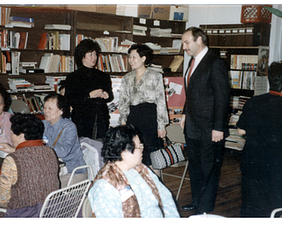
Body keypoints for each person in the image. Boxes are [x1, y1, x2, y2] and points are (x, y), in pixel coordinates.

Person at [180, 27, 230, 214]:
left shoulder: (215, 63)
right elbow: (192, 93)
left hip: (210, 128)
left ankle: (205, 208)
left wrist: (218, 127)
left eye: (187, 42)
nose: (184, 46)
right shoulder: (193, 62)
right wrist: (185, 113)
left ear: (199, 40)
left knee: (209, 169)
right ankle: (196, 202)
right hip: (192, 126)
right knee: (195, 166)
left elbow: (223, 98)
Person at [88, 124, 179, 218]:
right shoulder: (105, 186)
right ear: (124, 152)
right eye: (139, 147)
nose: (142, 150)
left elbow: (166, 198)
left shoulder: (141, 169)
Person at [237, 62, 282, 217]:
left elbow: (241, 130)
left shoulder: (254, 101)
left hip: (252, 163)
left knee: (251, 205)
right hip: (276, 168)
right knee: (273, 208)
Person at [0, 113, 60, 217]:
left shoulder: (12, 160)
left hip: (23, 215)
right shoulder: (50, 152)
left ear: (21, 136)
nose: (10, 137)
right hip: (50, 212)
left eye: (12, 133)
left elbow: (2, 199)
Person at [118, 44, 169, 174]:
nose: (131, 60)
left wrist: (161, 125)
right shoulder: (127, 78)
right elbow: (123, 101)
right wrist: (123, 121)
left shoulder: (155, 76)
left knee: (152, 157)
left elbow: (161, 101)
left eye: (134, 57)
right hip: (133, 119)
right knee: (134, 154)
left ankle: (156, 188)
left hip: (150, 119)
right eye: (130, 57)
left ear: (143, 58)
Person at [65, 39, 114, 140]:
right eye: (90, 54)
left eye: (95, 54)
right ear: (82, 56)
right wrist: (89, 95)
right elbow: (69, 100)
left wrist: (107, 95)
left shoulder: (103, 76)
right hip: (82, 121)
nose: (94, 58)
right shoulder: (73, 77)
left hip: (101, 120)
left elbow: (110, 97)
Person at [42, 93, 87, 188]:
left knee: (50, 191)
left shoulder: (69, 127)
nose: (46, 111)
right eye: (44, 108)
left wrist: (42, 149)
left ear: (61, 110)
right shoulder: (43, 124)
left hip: (73, 171)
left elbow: (63, 151)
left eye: (50, 108)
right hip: (53, 169)